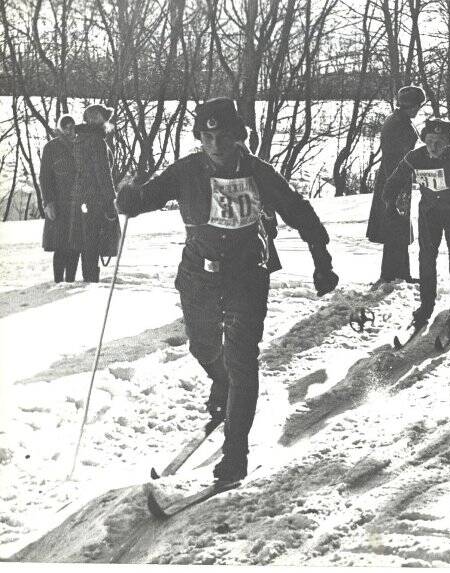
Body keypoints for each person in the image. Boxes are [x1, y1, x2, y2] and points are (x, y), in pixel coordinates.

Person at [115, 98, 339, 483]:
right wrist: (127, 196)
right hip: (197, 276)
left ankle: (236, 453)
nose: (215, 145)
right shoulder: (186, 170)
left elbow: (298, 210)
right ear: (199, 138)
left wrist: (322, 260)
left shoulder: (258, 172)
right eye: (207, 136)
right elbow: (143, 201)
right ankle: (223, 386)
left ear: (238, 136)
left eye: (223, 136)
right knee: (203, 347)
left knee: (242, 361)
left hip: (246, 276)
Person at [383, 117, 450, 338]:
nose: (433, 147)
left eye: (439, 142)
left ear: (448, 142)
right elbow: (394, 179)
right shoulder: (415, 157)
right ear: (424, 140)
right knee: (426, 258)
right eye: (430, 140)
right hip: (430, 212)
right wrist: (389, 202)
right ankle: (425, 306)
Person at [366, 86, 425, 286]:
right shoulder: (398, 124)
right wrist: (396, 185)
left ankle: (400, 273)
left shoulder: (398, 120)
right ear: (412, 105)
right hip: (394, 179)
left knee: (398, 226)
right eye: (418, 106)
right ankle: (390, 274)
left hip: (395, 178)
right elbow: (396, 158)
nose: (418, 110)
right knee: (394, 226)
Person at [68, 104, 121, 282]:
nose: (105, 121)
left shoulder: (78, 138)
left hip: (79, 196)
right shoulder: (97, 141)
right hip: (95, 197)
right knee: (92, 238)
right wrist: (111, 201)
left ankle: (87, 276)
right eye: (102, 118)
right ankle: (91, 278)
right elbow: (103, 174)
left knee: (85, 237)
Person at [40, 115, 80, 282]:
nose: (69, 130)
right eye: (66, 126)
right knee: (60, 243)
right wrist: (48, 202)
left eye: (72, 126)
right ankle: (58, 280)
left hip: (79, 203)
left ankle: (70, 280)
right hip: (59, 203)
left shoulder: (82, 145)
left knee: (76, 243)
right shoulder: (51, 147)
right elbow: (45, 177)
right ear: (60, 128)